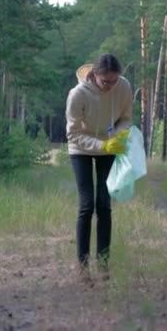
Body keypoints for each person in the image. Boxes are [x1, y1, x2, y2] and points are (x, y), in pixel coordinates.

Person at [65, 53, 133, 284]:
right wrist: (99, 144)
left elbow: (126, 117)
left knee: (104, 204)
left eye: (114, 81)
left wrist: (120, 135)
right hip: (81, 148)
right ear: (95, 75)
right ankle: (82, 267)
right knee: (87, 205)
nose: (110, 86)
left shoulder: (123, 87)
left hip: (109, 147)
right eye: (106, 82)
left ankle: (103, 265)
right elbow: (73, 132)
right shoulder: (78, 94)